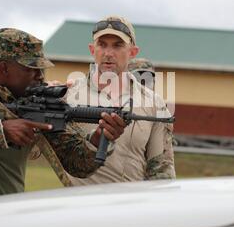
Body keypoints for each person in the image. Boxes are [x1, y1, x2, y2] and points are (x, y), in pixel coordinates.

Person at [0, 28, 126, 203]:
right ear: (3, 68)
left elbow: (80, 166)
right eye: (32, 68)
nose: (41, 76)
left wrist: (99, 140)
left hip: (11, 219)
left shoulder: (39, 102)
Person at [65, 15, 176, 185]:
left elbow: (161, 170)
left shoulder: (154, 104)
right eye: (102, 45)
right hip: (80, 207)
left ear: (133, 52)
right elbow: (35, 150)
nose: (108, 53)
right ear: (92, 49)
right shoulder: (67, 96)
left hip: (130, 207)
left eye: (118, 46)